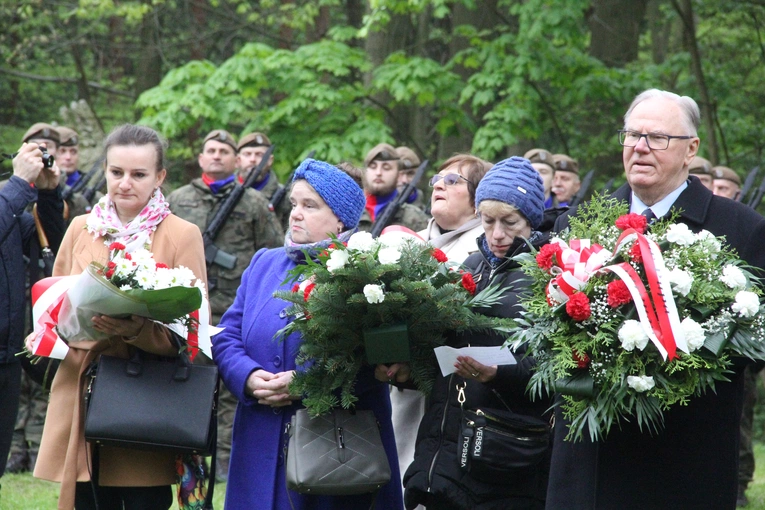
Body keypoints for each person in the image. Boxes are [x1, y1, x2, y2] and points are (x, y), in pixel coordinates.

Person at [547, 88, 765, 509]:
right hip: (589, 462)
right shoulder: (579, 222)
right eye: (632, 136)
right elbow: (547, 328)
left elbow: (756, 342)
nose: (641, 147)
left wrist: (679, 358)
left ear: (691, 150)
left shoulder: (741, 229)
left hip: (684, 460)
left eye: (658, 138)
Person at [30, 124, 208, 510]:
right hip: (81, 389)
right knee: (86, 499)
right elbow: (54, 299)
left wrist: (137, 330)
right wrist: (49, 331)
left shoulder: (182, 233)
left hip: (145, 395)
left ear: (160, 177)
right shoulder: (81, 227)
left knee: (143, 499)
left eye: (139, 174)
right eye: (116, 172)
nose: (125, 183)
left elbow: (194, 332)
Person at [212, 158, 404, 509]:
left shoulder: (368, 272)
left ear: (341, 219)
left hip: (334, 453)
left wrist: (305, 382)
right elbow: (226, 334)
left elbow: (380, 360)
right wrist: (249, 376)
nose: (295, 214)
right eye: (294, 204)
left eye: (310, 206)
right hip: (258, 441)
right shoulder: (264, 263)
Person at [391, 156, 552, 510]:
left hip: (503, 460)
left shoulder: (551, 273)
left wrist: (499, 373)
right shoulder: (471, 266)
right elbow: (442, 346)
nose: (496, 234)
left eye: (509, 222)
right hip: (445, 454)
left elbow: (557, 368)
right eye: (487, 220)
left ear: (531, 220)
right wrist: (409, 370)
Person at [167, 128, 283, 481]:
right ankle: (191, 464)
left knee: (234, 391)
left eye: (224, 151)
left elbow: (273, 253)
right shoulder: (177, 199)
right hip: (187, 312)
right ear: (200, 158)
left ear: (236, 161)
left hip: (235, 314)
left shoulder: (252, 203)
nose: (216, 155)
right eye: (210, 150)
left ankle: (229, 468)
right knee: (190, 387)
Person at [388, 153, 492, 499]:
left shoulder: (485, 249)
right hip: (397, 391)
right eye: (437, 179)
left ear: (478, 199)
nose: (438, 185)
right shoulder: (404, 241)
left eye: (452, 181)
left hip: (453, 399)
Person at [0, 142, 64, 491]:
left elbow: (51, 239)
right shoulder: (7, 200)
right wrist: (20, 184)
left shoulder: (7, 205)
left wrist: (49, 194)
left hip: (7, 356)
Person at [358, 143, 429, 233]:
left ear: (398, 174)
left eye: (386, 168)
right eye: (373, 167)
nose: (378, 172)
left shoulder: (415, 218)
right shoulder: (351, 211)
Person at [236, 131, 291, 230]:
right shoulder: (224, 192)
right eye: (247, 154)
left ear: (270, 160)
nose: (252, 159)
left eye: (259, 155)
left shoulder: (286, 197)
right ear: (238, 160)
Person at [56, 126, 97, 220]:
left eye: (73, 151)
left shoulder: (93, 195)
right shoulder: (38, 189)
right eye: (62, 151)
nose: (68, 157)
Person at [395, 146, 427, 211]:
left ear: (419, 177)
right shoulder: (374, 210)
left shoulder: (428, 215)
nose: (405, 180)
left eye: (410, 174)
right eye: (398, 174)